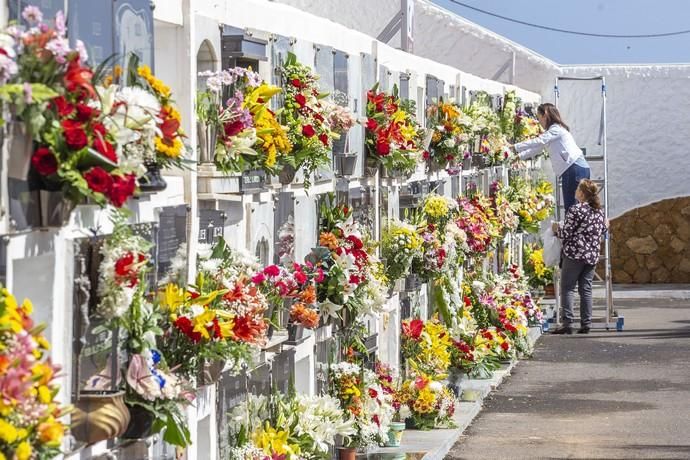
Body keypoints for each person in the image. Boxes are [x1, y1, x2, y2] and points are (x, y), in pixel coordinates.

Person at [551, 179, 607, 334]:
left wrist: (556, 228)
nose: (575, 191)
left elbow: (566, 232)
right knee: (586, 289)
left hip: (575, 254)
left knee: (568, 287)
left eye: (577, 188)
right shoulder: (599, 211)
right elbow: (602, 229)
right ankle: (586, 323)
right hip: (592, 255)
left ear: (582, 193)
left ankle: (568, 323)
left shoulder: (576, 210)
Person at [513, 103, 590, 212]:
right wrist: (519, 156)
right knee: (578, 208)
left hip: (573, 169)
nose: (539, 122)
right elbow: (539, 147)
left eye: (539, 118)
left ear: (545, 115)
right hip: (577, 168)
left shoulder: (555, 129)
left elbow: (539, 141)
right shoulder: (556, 130)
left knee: (572, 209)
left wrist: (515, 147)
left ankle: (573, 229)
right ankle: (579, 228)